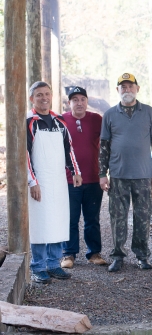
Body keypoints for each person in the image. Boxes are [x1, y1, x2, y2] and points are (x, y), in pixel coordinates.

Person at [99, 73, 152, 272]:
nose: (127, 90)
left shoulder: (149, 112)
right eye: (123, 87)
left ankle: (142, 255)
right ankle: (118, 256)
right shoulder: (109, 114)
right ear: (118, 90)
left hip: (143, 175)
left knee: (142, 217)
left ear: (137, 89)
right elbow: (104, 146)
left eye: (130, 86)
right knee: (117, 217)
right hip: (118, 175)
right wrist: (103, 173)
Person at [26, 81, 82, 284]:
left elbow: (69, 150)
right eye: (39, 95)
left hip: (58, 180)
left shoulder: (60, 122)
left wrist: (75, 171)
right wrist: (32, 182)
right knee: (40, 223)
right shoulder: (29, 122)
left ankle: (54, 264)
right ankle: (38, 266)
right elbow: (25, 155)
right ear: (32, 98)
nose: (44, 98)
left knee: (57, 220)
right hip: (39, 180)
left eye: (47, 94)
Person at [60, 86, 107, 269]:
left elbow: (106, 144)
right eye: (75, 100)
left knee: (92, 218)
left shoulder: (96, 119)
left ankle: (94, 253)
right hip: (69, 179)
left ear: (87, 101)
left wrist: (105, 173)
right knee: (70, 218)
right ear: (69, 102)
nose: (79, 103)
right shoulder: (61, 120)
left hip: (93, 178)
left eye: (82, 99)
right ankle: (68, 254)